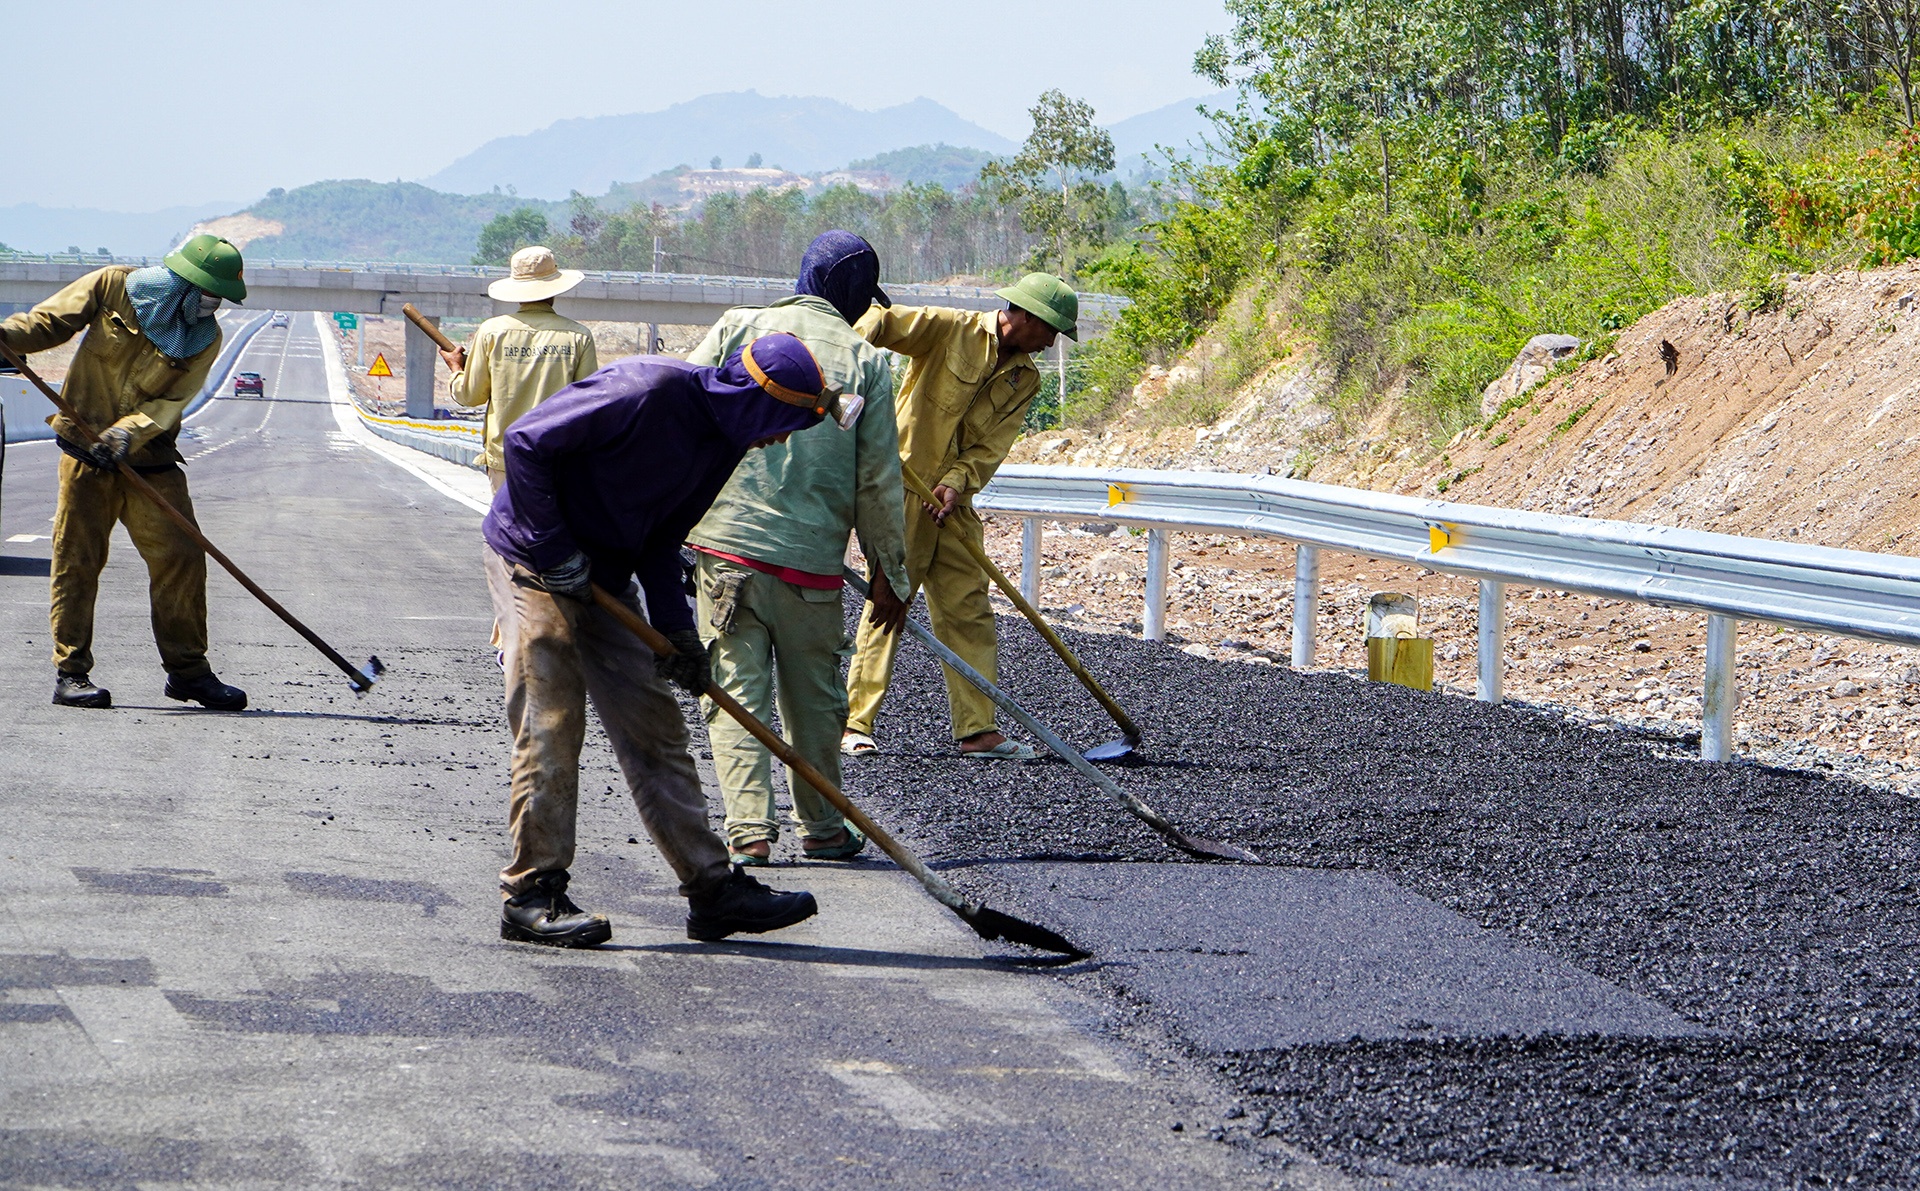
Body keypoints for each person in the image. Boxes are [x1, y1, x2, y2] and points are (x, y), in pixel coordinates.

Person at [482, 332, 863, 948]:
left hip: (602, 571)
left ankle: (712, 890)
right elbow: (526, 443)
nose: (781, 439)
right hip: (533, 559)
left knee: (654, 727)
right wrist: (554, 550)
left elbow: (662, 540)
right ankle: (531, 893)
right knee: (552, 723)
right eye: (782, 424)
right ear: (756, 403)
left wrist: (677, 634)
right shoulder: (647, 391)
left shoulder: (724, 443)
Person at [684, 231, 911, 865]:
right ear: (856, 298)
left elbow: (684, 412)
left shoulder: (738, 328)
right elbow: (878, 483)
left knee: (733, 695)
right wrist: (891, 573)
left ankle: (750, 832)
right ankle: (824, 828)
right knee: (815, 703)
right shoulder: (867, 363)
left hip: (725, 551)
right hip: (810, 568)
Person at [0, 234, 250, 711]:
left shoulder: (204, 337)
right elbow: (49, 322)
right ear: (182, 285)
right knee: (78, 560)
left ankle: (189, 673)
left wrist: (123, 435)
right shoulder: (113, 286)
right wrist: (6, 338)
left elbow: (171, 403)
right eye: (210, 295)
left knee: (181, 557)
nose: (213, 307)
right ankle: (71, 673)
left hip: (150, 463)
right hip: (83, 455)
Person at [842, 273, 1078, 759]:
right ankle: (853, 724)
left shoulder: (1025, 378)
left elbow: (991, 446)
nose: (1052, 340)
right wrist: (841, 367)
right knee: (889, 601)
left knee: (968, 608)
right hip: (903, 489)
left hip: (952, 506)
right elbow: (879, 322)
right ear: (1025, 316)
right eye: (1051, 328)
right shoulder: (950, 328)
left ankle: (977, 730)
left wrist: (957, 482)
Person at [440, 244, 597, 491]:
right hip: (558, 460)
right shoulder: (578, 336)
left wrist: (456, 371)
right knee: (550, 529)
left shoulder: (492, 332)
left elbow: (470, 396)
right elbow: (588, 406)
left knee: (508, 528)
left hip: (505, 459)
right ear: (554, 288)